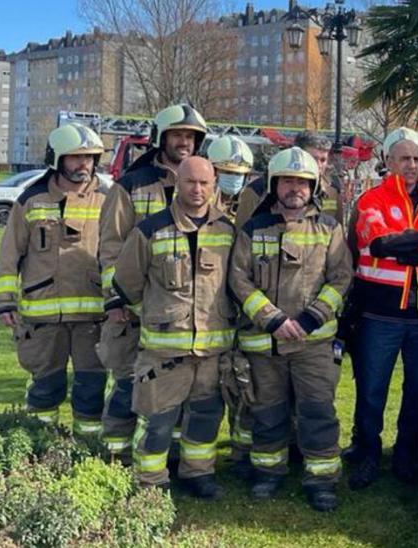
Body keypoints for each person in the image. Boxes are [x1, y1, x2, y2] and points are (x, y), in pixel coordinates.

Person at [228, 147, 353, 511]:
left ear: (312, 186)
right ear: (274, 185)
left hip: (313, 344)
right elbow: (239, 279)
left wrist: (311, 318)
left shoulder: (330, 229)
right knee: (267, 411)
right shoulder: (253, 229)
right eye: (287, 181)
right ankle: (268, 472)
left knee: (317, 412)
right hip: (264, 343)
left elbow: (341, 277)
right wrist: (273, 320)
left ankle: (321, 478)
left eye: (301, 181)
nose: (294, 188)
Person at [110, 157, 235, 497]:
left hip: (211, 350)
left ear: (214, 186)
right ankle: (151, 482)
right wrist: (153, 314)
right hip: (165, 350)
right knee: (157, 420)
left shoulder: (228, 230)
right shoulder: (149, 230)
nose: (197, 190)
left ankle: (199, 474)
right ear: (177, 184)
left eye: (204, 183)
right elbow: (126, 284)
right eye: (190, 182)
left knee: (206, 417)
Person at [346, 128, 418, 489]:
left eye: (416, 158)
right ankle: (367, 453)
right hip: (380, 311)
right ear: (388, 161)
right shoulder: (371, 199)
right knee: (372, 388)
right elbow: (378, 244)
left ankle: (407, 456)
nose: (411, 165)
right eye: (403, 158)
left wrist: (406, 244)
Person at [99, 103, 209, 460]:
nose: (184, 142)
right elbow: (111, 247)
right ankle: (116, 454)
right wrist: (116, 300)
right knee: (129, 382)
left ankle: (170, 455)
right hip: (133, 309)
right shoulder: (131, 186)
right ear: (161, 138)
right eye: (177, 134)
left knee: (178, 388)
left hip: (180, 313)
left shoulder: (205, 183)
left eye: (191, 136)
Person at [0, 123, 109, 433]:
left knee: (91, 389)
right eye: (75, 158)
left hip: (93, 316)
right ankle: (41, 445)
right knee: (45, 388)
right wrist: (4, 302)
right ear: (56, 158)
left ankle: (89, 449)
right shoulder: (31, 200)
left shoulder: (108, 198)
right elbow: (9, 253)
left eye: (89, 158)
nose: (83, 164)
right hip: (43, 315)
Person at [202, 133, 259, 479]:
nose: (234, 178)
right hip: (207, 311)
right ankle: (194, 458)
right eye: (226, 171)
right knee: (205, 389)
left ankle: (242, 453)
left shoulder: (251, 204)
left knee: (246, 384)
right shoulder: (197, 208)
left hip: (242, 311)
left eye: (241, 172)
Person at [237, 132, 338, 226]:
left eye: (323, 160)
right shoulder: (258, 190)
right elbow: (242, 231)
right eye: (313, 158)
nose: (319, 165)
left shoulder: (333, 192)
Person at [208, 135, 256, 221]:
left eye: (238, 174)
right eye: (228, 172)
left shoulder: (251, 206)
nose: (234, 178)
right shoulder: (200, 201)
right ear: (213, 171)